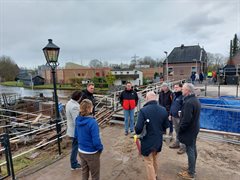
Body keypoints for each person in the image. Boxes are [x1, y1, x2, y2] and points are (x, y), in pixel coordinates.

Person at [135, 91, 169, 180]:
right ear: (156, 98)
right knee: (155, 159)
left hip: (147, 141)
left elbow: (138, 129)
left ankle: (152, 178)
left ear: (146, 99)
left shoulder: (143, 110)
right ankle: (155, 175)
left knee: (149, 162)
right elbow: (166, 126)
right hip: (158, 140)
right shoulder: (163, 110)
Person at [75, 99, 103, 180]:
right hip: (92, 152)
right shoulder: (92, 122)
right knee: (95, 175)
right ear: (89, 108)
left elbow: (76, 135)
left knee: (84, 172)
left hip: (81, 150)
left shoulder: (77, 119)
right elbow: (96, 141)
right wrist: (100, 148)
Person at [178, 83, 201, 179]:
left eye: (183, 89)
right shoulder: (195, 100)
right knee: (193, 147)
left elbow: (186, 120)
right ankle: (191, 168)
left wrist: (180, 128)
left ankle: (191, 173)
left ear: (188, 90)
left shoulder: (189, 102)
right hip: (194, 128)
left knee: (190, 149)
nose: (181, 90)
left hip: (189, 130)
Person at [66, 91, 82, 170]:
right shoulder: (74, 107)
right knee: (75, 147)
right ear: (79, 98)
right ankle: (74, 164)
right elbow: (77, 120)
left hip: (71, 128)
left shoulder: (69, 103)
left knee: (75, 146)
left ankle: (74, 162)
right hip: (75, 130)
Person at [169, 83, 186, 154]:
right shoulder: (175, 95)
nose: (175, 88)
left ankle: (183, 147)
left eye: (177, 87)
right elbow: (172, 105)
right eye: (174, 87)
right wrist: (170, 114)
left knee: (181, 131)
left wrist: (181, 113)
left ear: (181, 88)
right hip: (174, 116)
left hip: (180, 118)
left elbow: (185, 107)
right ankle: (177, 143)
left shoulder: (183, 96)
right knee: (176, 131)